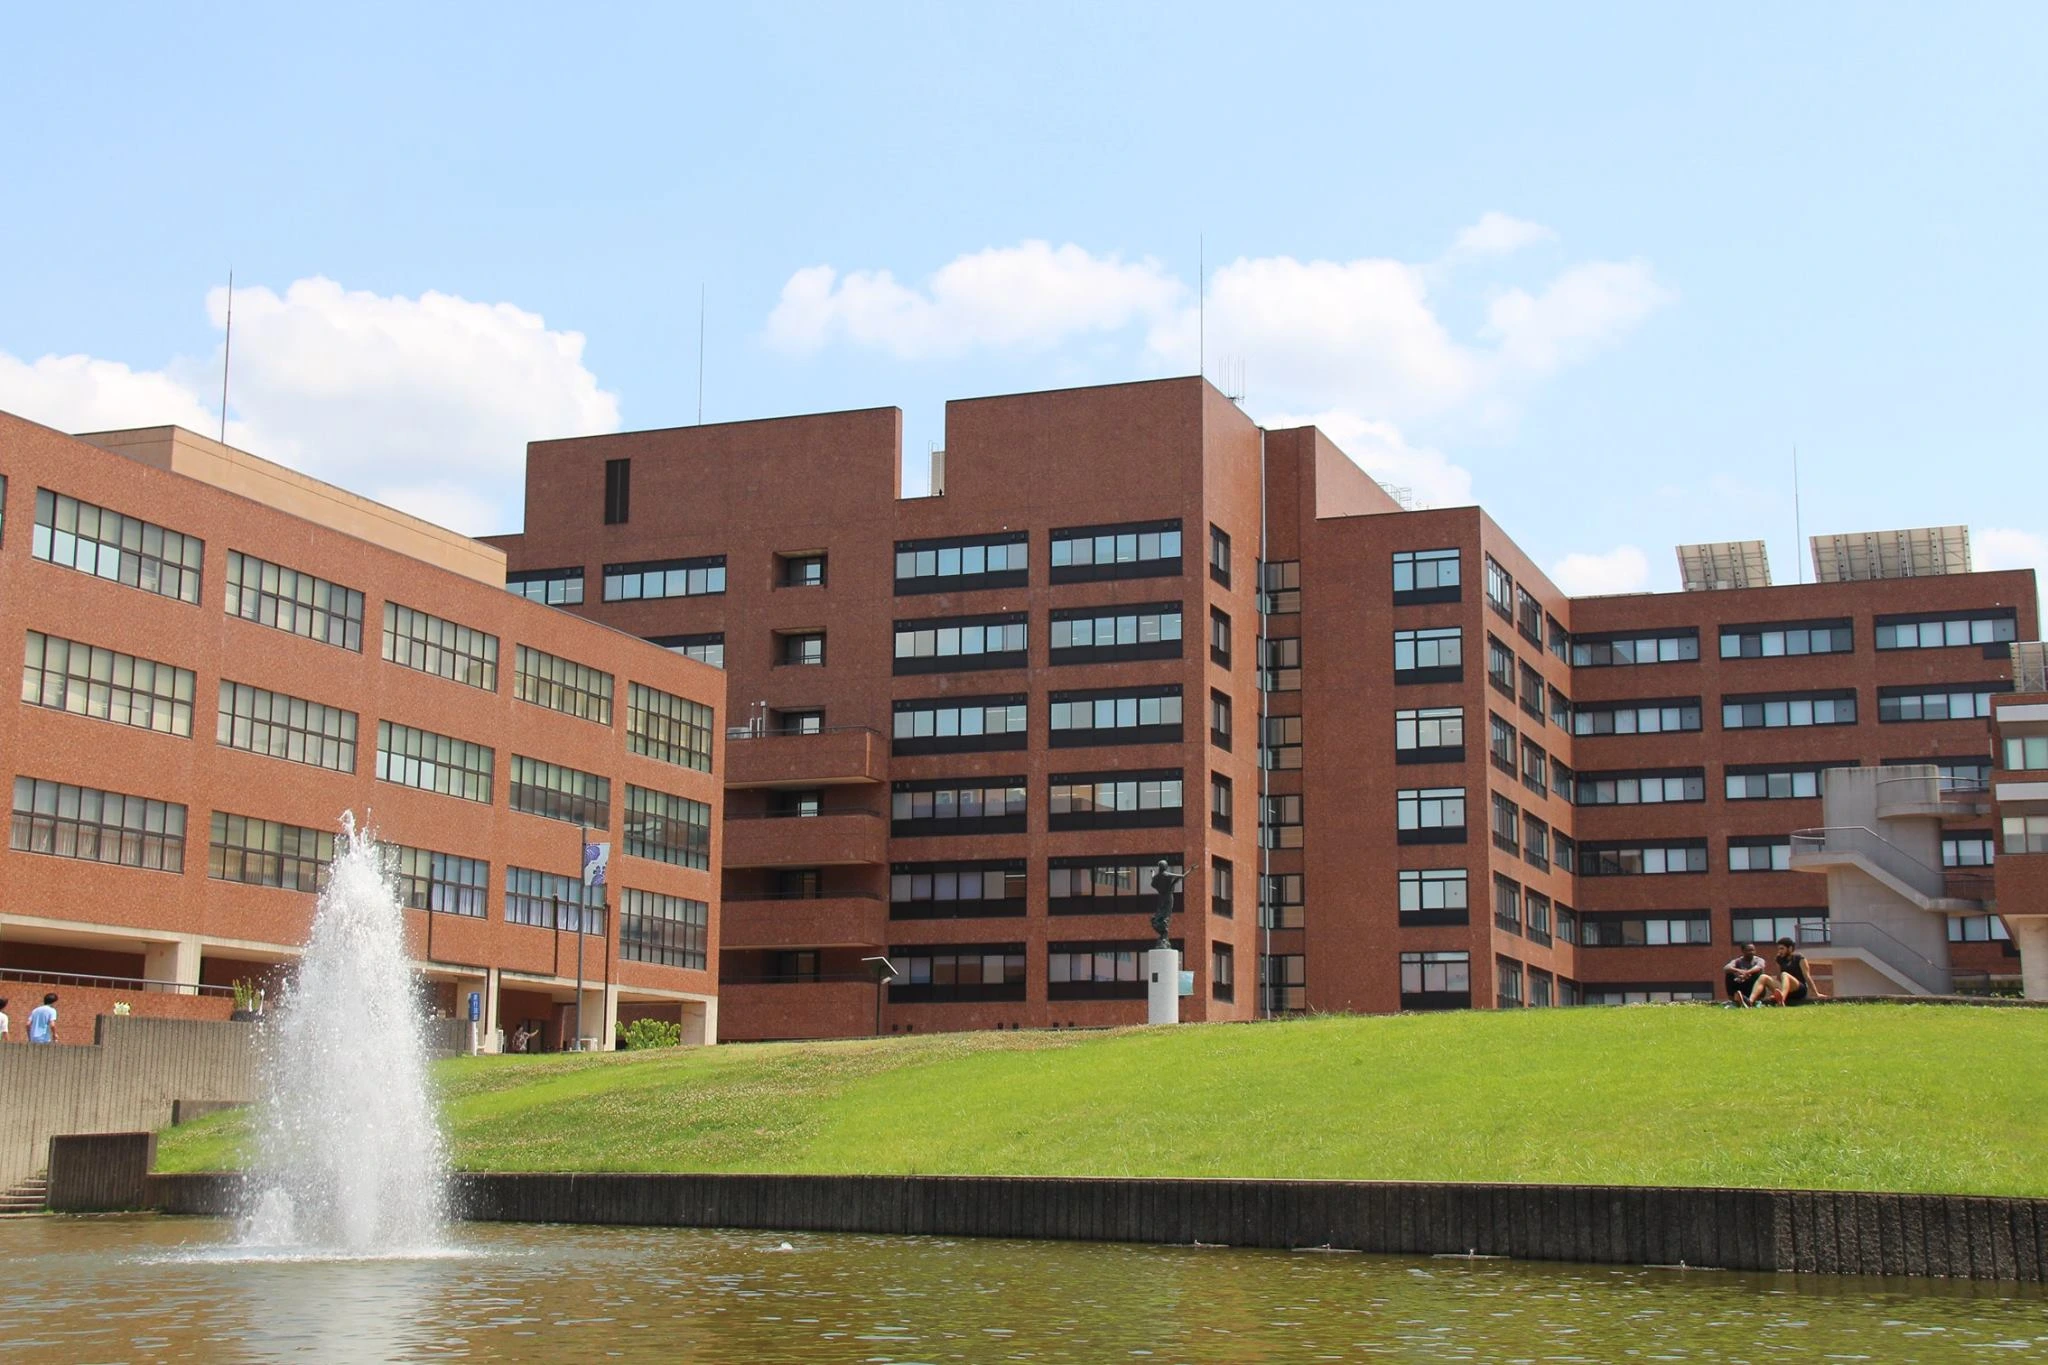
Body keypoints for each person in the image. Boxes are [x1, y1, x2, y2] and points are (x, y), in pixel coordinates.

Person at [1747, 938, 1824, 1007]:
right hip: (1785, 990)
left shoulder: (1799, 958)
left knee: (1785, 974)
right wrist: (1774, 989)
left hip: (1799, 989)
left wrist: (1816, 993)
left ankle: (1781, 1000)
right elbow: (1778, 977)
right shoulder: (1779, 959)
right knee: (1763, 977)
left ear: (1790, 948)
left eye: (1782, 949)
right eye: (1779, 949)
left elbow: (1807, 976)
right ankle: (1750, 1001)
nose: (1780, 951)